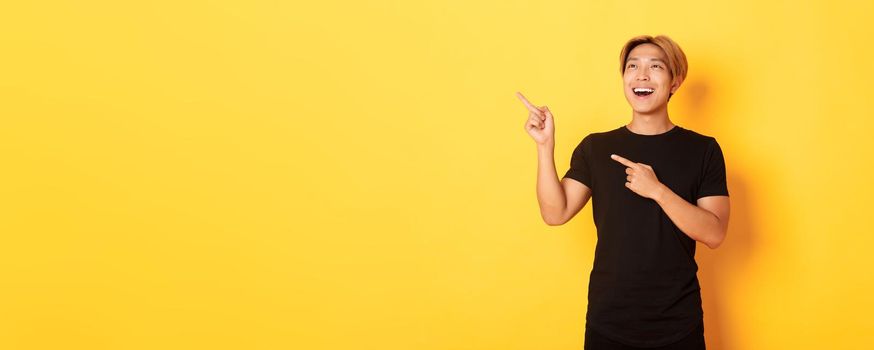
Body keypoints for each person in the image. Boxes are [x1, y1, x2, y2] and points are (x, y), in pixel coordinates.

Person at [517, 34, 730, 349]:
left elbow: (715, 233)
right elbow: (555, 212)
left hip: (678, 323)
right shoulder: (596, 147)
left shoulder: (703, 150)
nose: (642, 74)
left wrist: (657, 190)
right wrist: (544, 146)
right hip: (609, 321)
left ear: (675, 82)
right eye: (633, 66)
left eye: (655, 67)